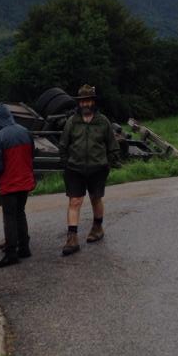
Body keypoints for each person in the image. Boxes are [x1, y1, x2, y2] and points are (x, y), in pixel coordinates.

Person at [58, 84, 121, 256]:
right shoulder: (72, 122)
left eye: (88, 101)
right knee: (74, 201)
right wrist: (66, 163)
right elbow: (63, 145)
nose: (85, 104)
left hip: (97, 168)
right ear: (79, 103)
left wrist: (108, 163)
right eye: (82, 101)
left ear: (93, 102)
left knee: (95, 198)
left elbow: (113, 146)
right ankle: (72, 238)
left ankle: (97, 227)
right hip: (75, 169)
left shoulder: (103, 122)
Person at [0, 102, 36, 268]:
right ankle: (24, 247)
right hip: (25, 181)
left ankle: (11, 253)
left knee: (9, 217)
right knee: (20, 213)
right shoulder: (25, 132)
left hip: (9, 183)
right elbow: (32, 155)